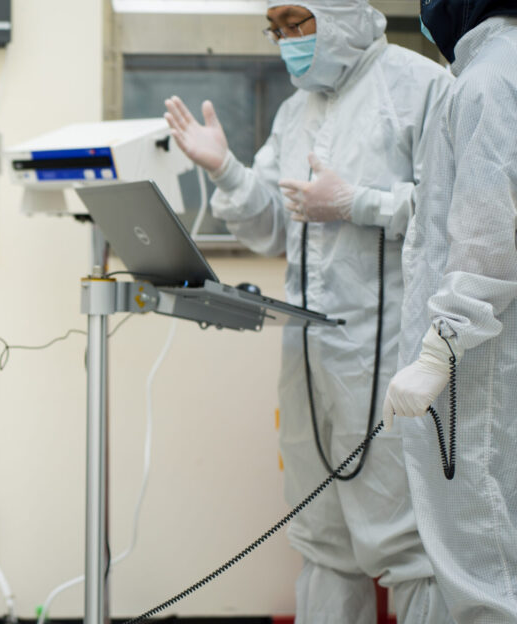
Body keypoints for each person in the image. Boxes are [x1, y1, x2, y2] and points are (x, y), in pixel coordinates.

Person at [163, 1, 453, 621]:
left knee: (406, 544)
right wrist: (226, 169)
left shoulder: (422, 86)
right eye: (277, 29)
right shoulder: (295, 112)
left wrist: (358, 202)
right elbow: (273, 229)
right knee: (321, 539)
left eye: (299, 22)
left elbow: (455, 210)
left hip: (391, 355)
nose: (286, 40)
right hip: (310, 359)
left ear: (342, 11)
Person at [382, 0, 517, 620]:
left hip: (481, 369)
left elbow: (487, 238)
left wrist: (439, 349)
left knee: (484, 571)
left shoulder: (491, 78)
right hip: (491, 356)